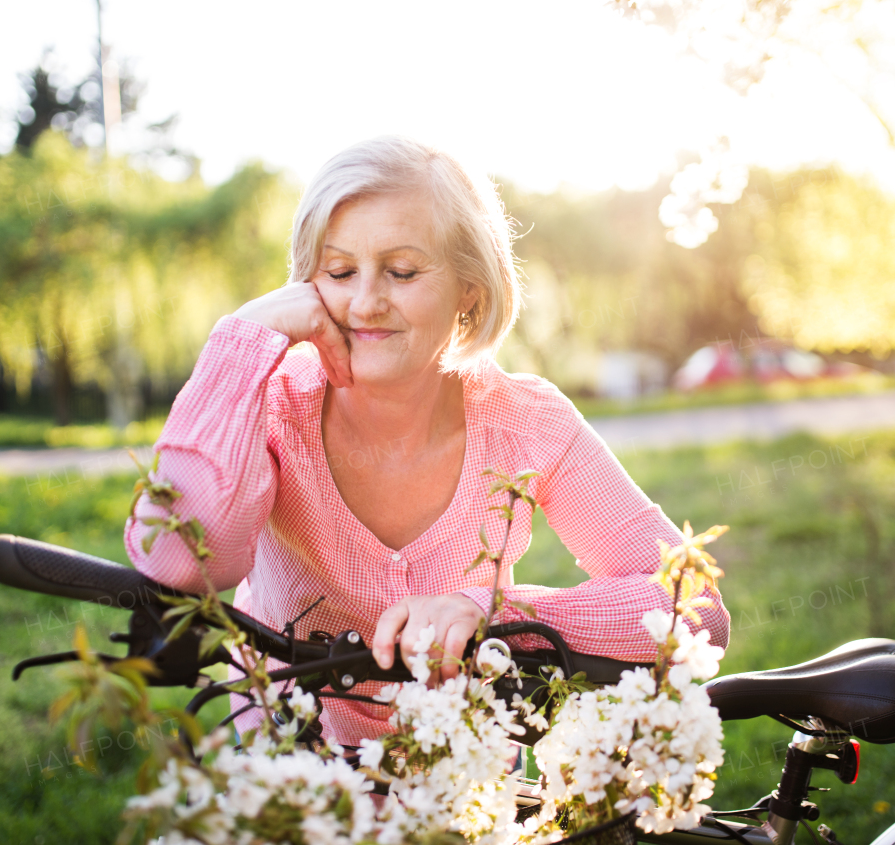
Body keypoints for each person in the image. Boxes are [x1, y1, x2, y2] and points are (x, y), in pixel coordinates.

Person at [124, 135, 730, 748]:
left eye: (402, 271)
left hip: (460, 779)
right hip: (290, 765)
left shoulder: (529, 422)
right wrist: (241, 342)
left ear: (471, 287)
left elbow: (696, 611)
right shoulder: (275, 402)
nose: (364, 303)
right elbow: (182, 564)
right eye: (339, 272)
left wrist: (498, 619)